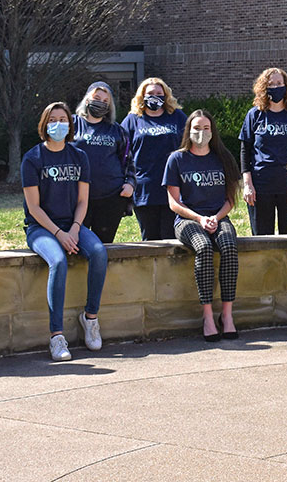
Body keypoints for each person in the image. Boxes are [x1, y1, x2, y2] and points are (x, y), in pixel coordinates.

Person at [22, 102, 108, 361]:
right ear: (44, 124)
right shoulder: (33, 158)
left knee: (99, 253)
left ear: (70, 125)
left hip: (74, 225)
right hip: (42, 228)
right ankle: (57, 336)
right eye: (53, 119)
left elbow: (83, 201)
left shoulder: (79, 156)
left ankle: (90, 318)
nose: (58, 124)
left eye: (63, 119)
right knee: (58, 261)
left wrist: (74, 229)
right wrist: (60, 234)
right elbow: (34, 208)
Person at [165, 110, 243, 341]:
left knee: (229, 247)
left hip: (218, 217)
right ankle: (208, 316)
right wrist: (199, 218)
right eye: (196, 128)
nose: (201, 133)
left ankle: (226, 316)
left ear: (213, 131)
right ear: (188, 130)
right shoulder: (177, 159)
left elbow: (231, 199)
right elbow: (173, 203)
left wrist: (216, 218)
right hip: (188, 221)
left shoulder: (223, 157)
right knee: (204, 248)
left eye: (206, 128)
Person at [240, 67, 287, 235]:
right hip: (261, 185)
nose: (276, 87)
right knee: (262, 237)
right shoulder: (254, 115)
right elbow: (245, 150)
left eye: (279, 83)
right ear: (263, 87)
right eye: (271, 84)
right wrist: (247, 184)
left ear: (286, 86)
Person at [121, 77, 188, 240]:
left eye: (159, 93)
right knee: (150, 240)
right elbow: (121, 152)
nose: (155, 96)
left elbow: (188, 147)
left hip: (172, 186)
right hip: (145, 189)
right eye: (150, 93)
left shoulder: (177, 116)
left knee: (172, 239)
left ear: (166, 95)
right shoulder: (133, 119)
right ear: (142, 96)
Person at [72, 81, 134, 243]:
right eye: (97, 98)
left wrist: (130, 184)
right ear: (87, 99)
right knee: (77, 244)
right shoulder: (72, 124)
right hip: (77, 197)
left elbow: (128, 161)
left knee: (104, 246)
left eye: (105, 101)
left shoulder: (117, 130)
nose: (101, 102)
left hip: (110, 198)